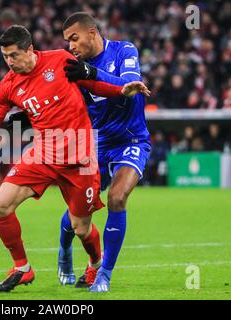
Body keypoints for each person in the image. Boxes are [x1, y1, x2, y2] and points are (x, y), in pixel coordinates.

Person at [0, 25, 149, 292]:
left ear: (30, 50)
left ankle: (95, 263)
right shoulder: (8, 86)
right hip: (43, 153)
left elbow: (92, 85)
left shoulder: (59, 60)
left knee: (81, 228)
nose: (9, 62)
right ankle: (22, 268)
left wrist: (121, 91)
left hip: (80, 156)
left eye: (14, 56)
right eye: (5, 57)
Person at [57, 12, 152, 292]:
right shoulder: (75, 68)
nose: (71, 46)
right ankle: (64, 252)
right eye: (67, 42)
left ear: (92, 32)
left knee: (117, 197)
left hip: (131, 141)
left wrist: (94, 74)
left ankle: (104, 274)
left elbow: (128, 86)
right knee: (78, 214)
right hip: (95, 145)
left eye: (74, 38)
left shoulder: (124, 50)